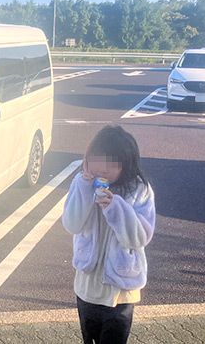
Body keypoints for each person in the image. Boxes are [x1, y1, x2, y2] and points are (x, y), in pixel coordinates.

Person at [62, 125, 155, 344]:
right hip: (87, 287)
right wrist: (85, 189)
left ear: (126, 164)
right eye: (97, 159)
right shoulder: (81, 183)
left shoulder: (139, 191)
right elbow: (72, 224)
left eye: (112, 163)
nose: (103, 168)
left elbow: (139, 238)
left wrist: (115, 207)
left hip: (120, 292)